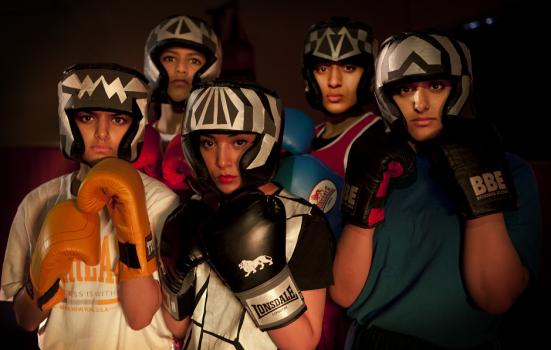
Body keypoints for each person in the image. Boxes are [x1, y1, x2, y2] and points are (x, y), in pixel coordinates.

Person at [330, 31, 542, 349]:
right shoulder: (376, 168)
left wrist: (481, 197)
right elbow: (344, 293)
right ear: (387, 97)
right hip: (377, 341)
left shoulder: (511, 170)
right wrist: (362, 212)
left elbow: (495, 297)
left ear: (460, 87)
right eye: (404, 89)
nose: (420, 103)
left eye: (436, 86)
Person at [0, 63, 180, 349]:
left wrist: (133, 235)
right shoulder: (37, 203)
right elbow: (25, 320)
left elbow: (140, 317)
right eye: (87, 117)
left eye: (118, 120)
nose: (102, 133)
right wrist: (41, 278)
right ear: (69, 121)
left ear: (135, 125)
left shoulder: (161, 202)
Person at [157, 79, 335, 349]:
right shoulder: (195, 215)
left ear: (267, 141)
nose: (222, 160)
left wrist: (261, 281)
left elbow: (303, 344)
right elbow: (178, 329)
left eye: (239, 142)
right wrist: (174, 280)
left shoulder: (302, 221)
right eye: (208, 143)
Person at [133, 14, 222, 192]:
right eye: (170, 59)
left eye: (193, 60)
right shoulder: (132, 136)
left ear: (210, 67)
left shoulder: (222, 142)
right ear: (154, 64)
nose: (181, 68)